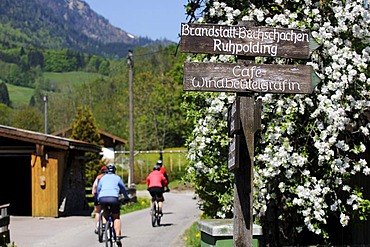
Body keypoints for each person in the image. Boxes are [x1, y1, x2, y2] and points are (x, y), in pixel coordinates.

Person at [97, 164, 130, 247]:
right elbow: (123, 189)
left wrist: (98, 199)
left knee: (105, 211)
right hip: (114, 198)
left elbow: (98, 189)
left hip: (102, 198)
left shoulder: (102, 178)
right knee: (116, 217)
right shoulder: (117, 178)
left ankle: (104, 226)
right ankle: (118, 237)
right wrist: (126, 198)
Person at [92, 165, 107, 234]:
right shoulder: (108, 177)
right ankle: (104, 225)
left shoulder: (98, 177)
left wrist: (94, 195)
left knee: (97, 212)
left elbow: (94, 187)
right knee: (105, 210)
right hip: (105, 196)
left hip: (97, 195)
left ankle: (97, 227)